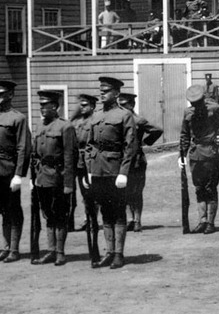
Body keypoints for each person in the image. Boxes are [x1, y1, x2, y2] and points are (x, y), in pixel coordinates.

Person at [85, 76, 139, 268]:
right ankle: (108, 252)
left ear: (116, 94)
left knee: (118, 212)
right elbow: (90, 145)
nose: (102, 93)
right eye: (101, 90)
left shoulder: (124, 116)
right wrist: (89, 170)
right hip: (98, 171)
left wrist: (124, 172)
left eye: (106, 90)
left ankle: (118, 254)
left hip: (115, 171)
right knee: (105, 212)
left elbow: (130, 146)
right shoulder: (96, 115)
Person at [0, 79, 31, 262]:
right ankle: (6, 247)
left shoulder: (18, 118)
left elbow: (23, 148)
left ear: (11, 95)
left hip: (9, 171)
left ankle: (14, 249)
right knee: (2, 210)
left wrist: (19, 175)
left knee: (13, 210)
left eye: (1, 94)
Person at [30, 91, 78, 266]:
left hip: (58, 178)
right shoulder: (39, 126)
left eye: (46, 105)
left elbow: (70, 157)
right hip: (42, 178)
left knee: (60, 215)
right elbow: (35, 154)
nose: (42, 108)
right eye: (41, 105)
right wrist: (33, 177)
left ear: (55, 106)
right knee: (48, 215)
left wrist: (68, 184)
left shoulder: (66, 127)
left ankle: (60, 252)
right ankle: (50, 250)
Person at [179, 83, 219, 233]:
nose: (194, 105)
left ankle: (210, 222)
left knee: (210, 188)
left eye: (196, 102)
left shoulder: (214, 109)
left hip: (211, 153)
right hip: (195, 154)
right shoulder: (188, 112)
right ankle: (202, 221)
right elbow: (184, 135)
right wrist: (182, 155)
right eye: (192, 103)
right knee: (199, 188)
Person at [118, 92, 164, 232]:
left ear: (131, 105)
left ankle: (137, 220)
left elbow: (157, 130)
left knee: (136, 191)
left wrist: (144, 142)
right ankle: (130, 219)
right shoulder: (118, 120)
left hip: (137, 160)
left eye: (124, 105)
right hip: (121, 160)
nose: (121, 108)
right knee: (123, 191)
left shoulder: (138, 121)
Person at [72, 93, 100, 260]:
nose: (81, 108)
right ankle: (88, 218)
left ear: (92, 106)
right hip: (78, 162)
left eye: (85, 105)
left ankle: (92, 219)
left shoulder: (94, 121)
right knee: (83, 194)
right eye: (80, 105)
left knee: (92, 193)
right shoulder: (76, 122)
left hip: (91, 162)